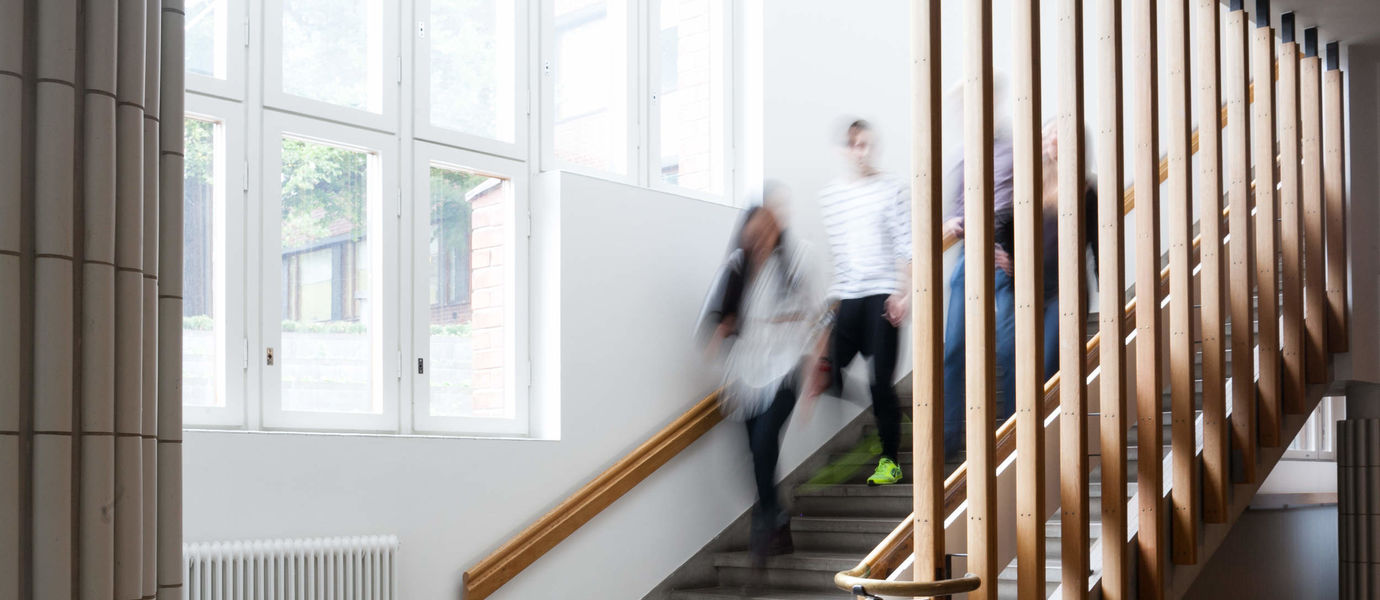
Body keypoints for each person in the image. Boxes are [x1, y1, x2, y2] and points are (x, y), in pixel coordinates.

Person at [701, 191, 829, 563]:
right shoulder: (737, 267)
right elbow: (715, 317)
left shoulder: (798, 260)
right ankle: (777, 521)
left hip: (787, 370)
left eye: (766, 232)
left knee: (762, 444)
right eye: (753, 235)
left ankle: (765, 524)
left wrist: (817, 373)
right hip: (746, 375)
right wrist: (721, 330)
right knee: (756, 456)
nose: (758, 241)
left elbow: (820, 318)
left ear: (776, 230)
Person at [817, 120, 911, 486]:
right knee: (826, 373)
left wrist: (904, 294)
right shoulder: (832, 197)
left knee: (880, 382)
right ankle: (885, 417)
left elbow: (906, 246)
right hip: (848, 299)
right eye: (855, 145)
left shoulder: (892, 188)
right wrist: (833, 305)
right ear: (844, 150)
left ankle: (890, 460)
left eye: (867, 144)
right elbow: (840, 256)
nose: (862, 151)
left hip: (883, 296)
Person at [942, 131, 1018, 462]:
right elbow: (956, 207)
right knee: (953, 348)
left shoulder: (1011, 151)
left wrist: (1011, 250)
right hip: (969, 250)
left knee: (1008, 347)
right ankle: (948, 441)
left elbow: (1026, 203)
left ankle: (1016, 432)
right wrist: (953, 221)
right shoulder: (964, 155)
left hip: (1002, 250)